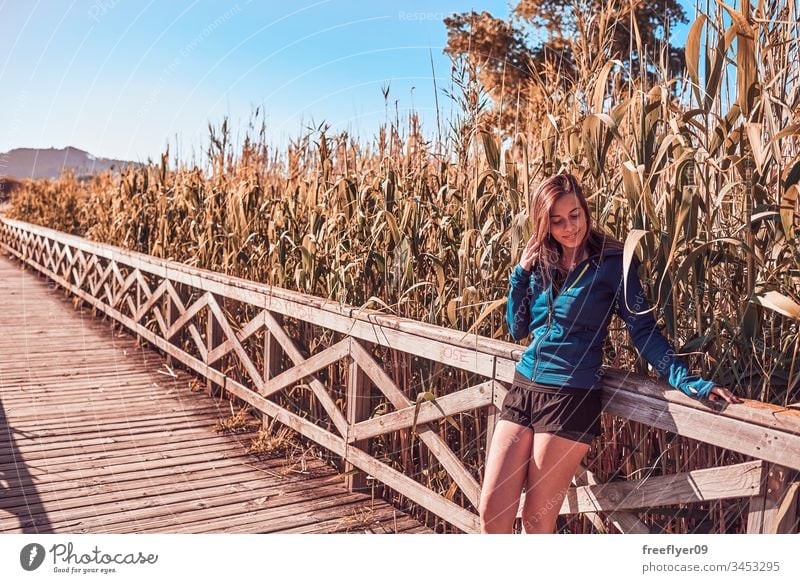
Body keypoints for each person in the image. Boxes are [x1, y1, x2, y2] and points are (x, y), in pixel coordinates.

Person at [478, 173, 741, 534]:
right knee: (491, 513)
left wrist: (688, 381)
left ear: (586, 210)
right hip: (524, 387)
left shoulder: (613, 263)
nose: (570, 227)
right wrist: (519, 275)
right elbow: (518, 329)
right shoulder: (543, 260)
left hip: (570, 395)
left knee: (536, 524)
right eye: (557, 220)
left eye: (575, 215)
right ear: (544, 222)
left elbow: (642, 330)